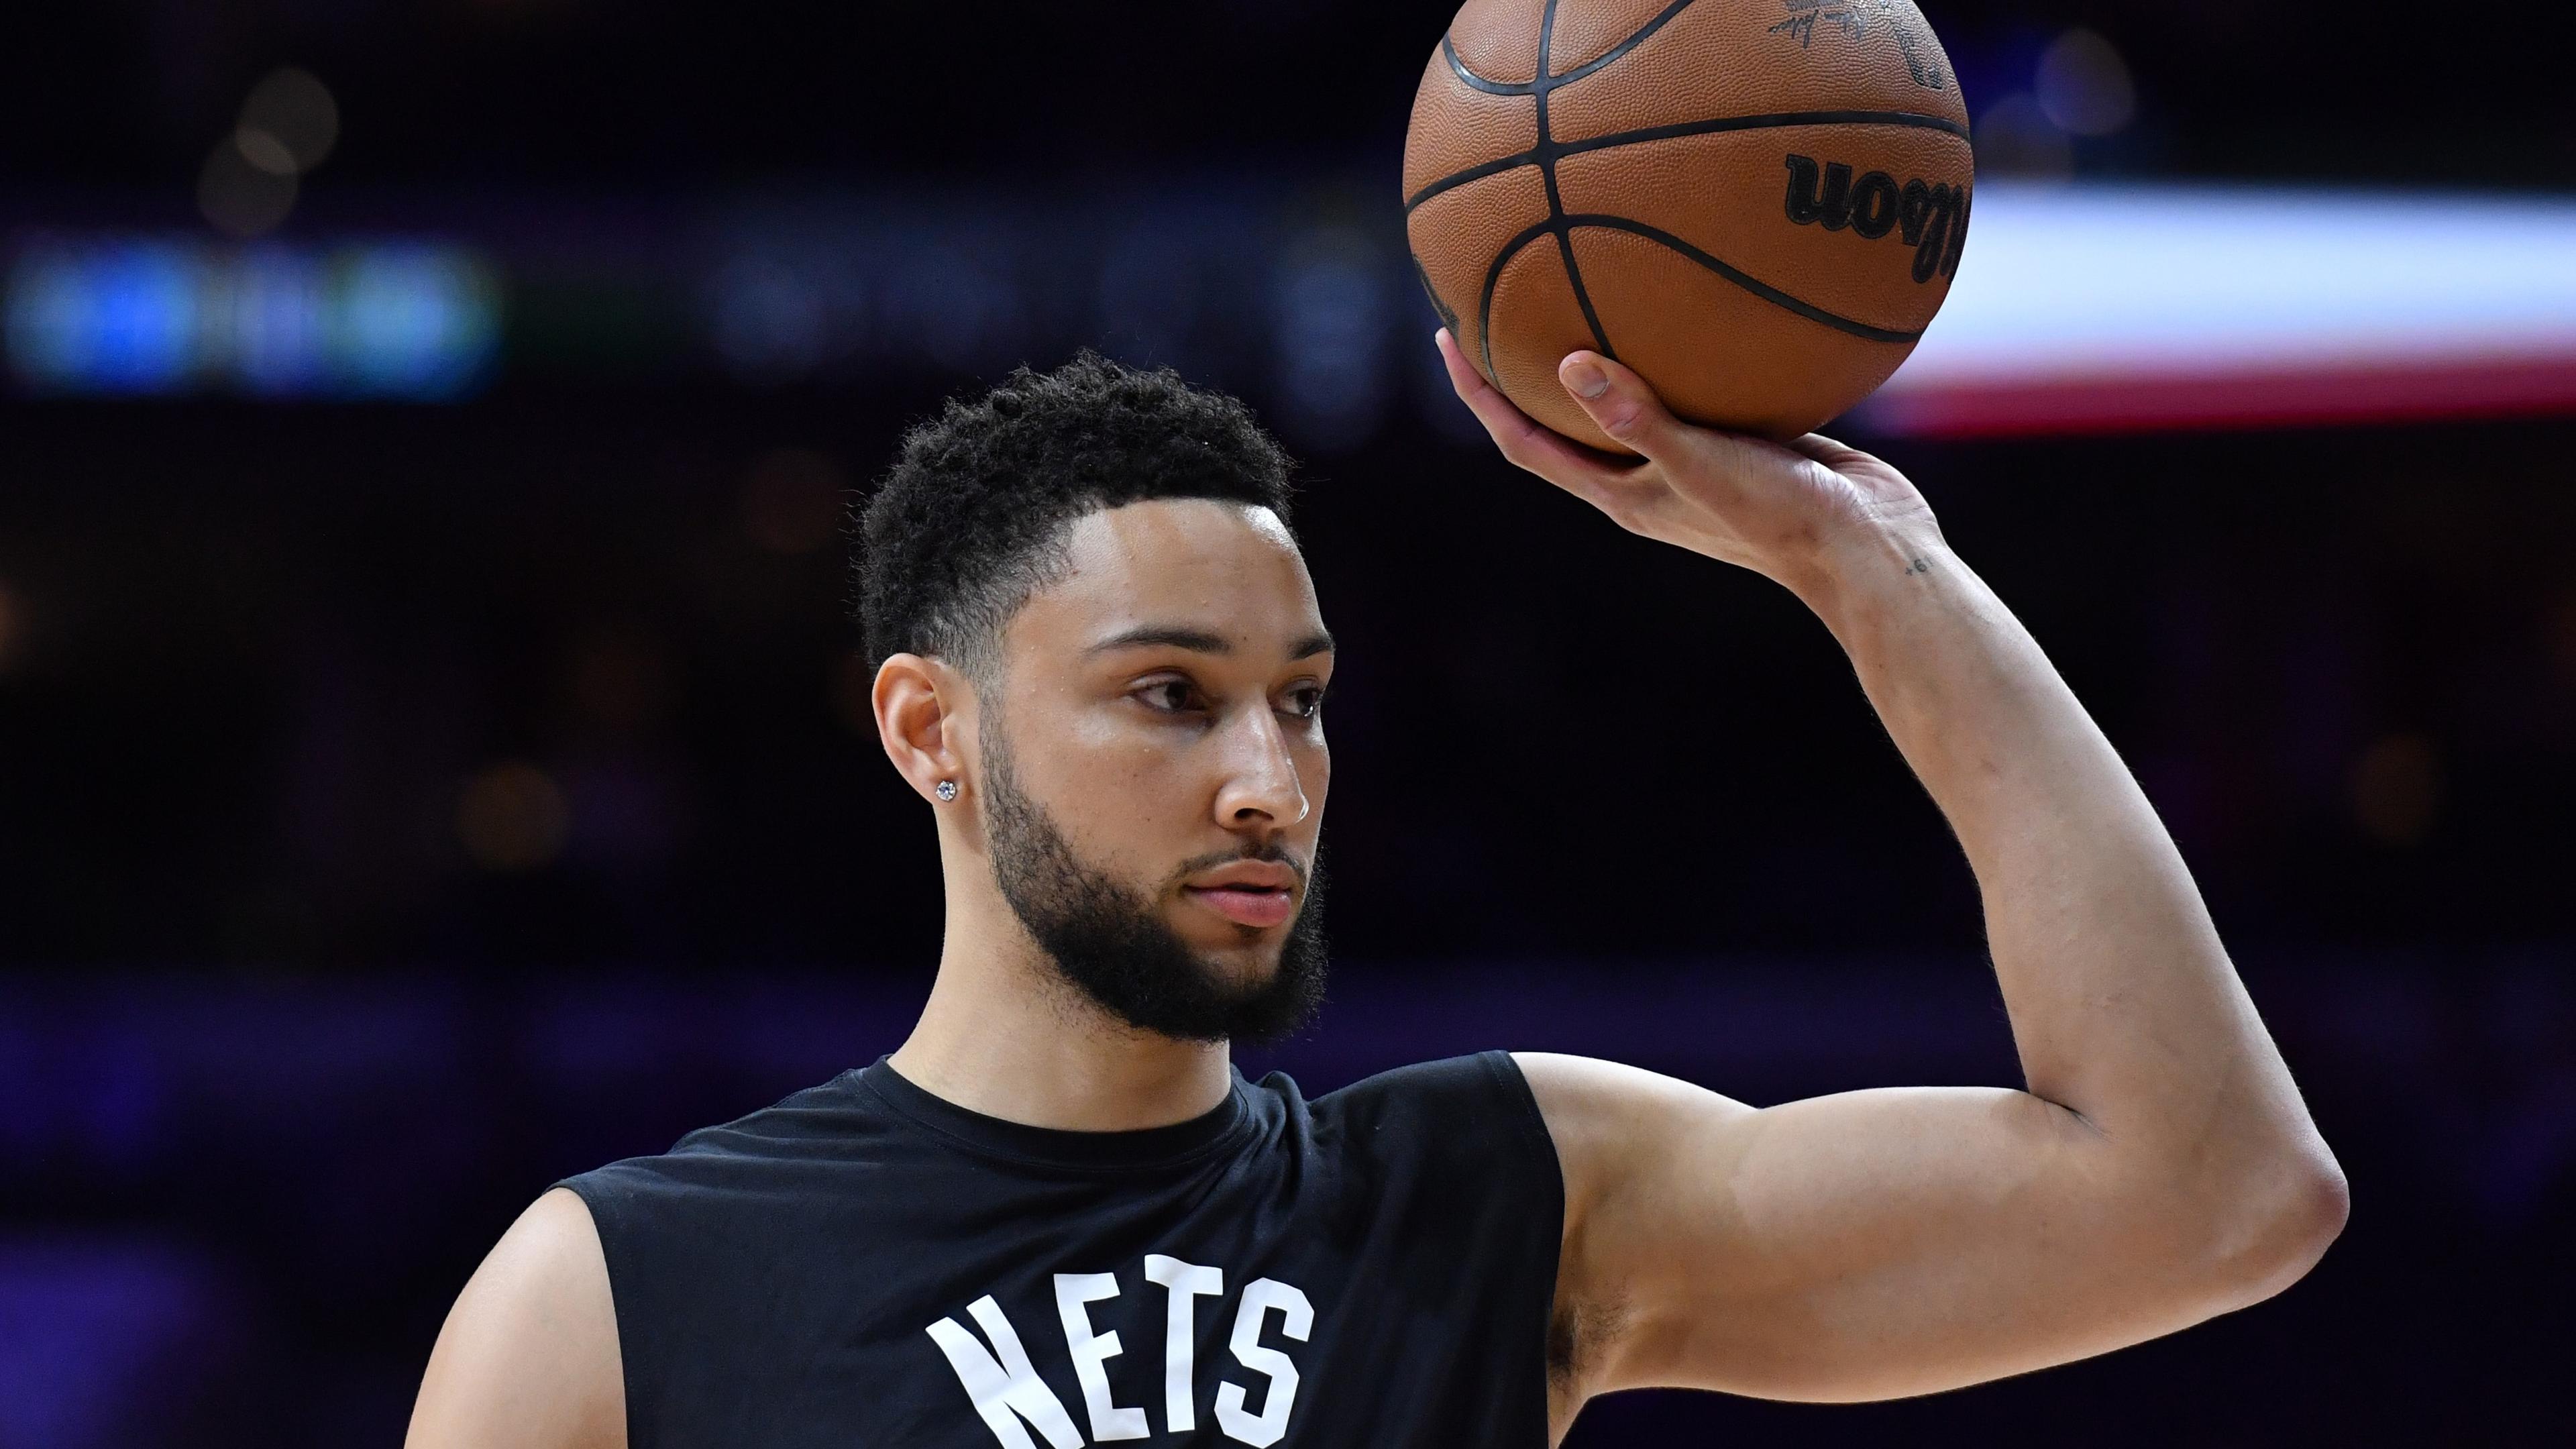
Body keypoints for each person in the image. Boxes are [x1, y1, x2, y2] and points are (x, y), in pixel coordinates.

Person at [405, 339, 2347, 1449]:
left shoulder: (1502, 1196)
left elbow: (2209, 1193)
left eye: (1304, 705)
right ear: (935, 728)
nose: (1272, 784)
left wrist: (1875, 575)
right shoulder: (616, 1294)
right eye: (1170, 696)